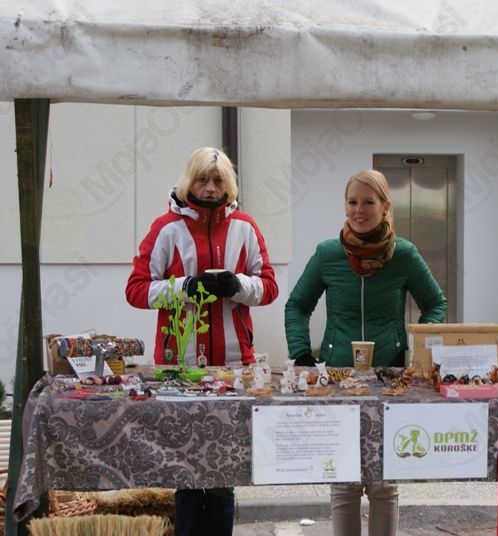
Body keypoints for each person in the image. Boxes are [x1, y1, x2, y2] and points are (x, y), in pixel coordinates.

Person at [126, 147, 279, 536]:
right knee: (187, 470)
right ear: (188, 181)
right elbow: (136, 289)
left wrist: (238, 285)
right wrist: (183, 287)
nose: (210, 188)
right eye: (202, 179)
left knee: (224, 470)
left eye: (218, 180)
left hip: (233, 366)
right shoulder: (166, 228)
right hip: (180, 366)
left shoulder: (245, 226)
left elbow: (269, 287)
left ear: (229, 185)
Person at [285, 169, 447, 535]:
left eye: (368, 202)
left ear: (385, 206)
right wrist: (302, 354)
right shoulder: (328, 254)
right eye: (352, 202)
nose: (359, 210)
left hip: (389, 380)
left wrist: (418, 349)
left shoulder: (404, 254)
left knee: (383, 483)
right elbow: (297, 305)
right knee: (344, 481)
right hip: (338, 377)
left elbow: (435, 303)